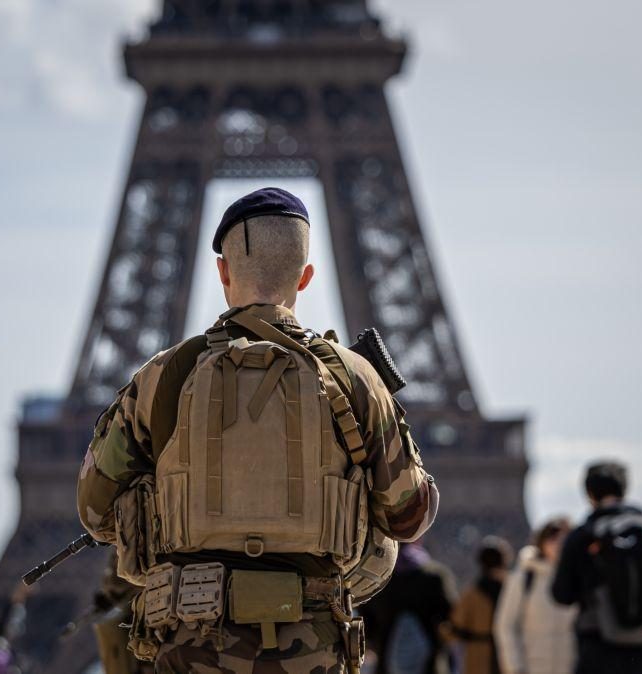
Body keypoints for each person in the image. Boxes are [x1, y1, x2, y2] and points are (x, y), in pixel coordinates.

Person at [76, 187, 439, 673]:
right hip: (311, 646)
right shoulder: (355, 379)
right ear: (306, 277)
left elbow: (95, 510)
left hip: (191, 644)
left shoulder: (165, 376)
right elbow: (407, 517)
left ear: (223, 272)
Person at [551, 461, 642, 674]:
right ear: (625, 489)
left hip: (597, 647)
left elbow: (561, 594)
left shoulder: (581, 537)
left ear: (589, 493)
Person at [360, 541, 459, 674]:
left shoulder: (376, 580)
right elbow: (453, 618)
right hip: (430, 665)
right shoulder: (435, 576)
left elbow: (366, 624)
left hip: (387, 663)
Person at [493, 517, 576, 674]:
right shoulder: (524, 578)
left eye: (564, 539)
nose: (559, 544)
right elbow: (506, 625)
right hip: (532, 668)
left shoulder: (579, 578)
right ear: (542, 542)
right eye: (553, 539)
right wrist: (514, 667)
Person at [445, 536, 513, 674]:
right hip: (509, 653)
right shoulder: (514, 591)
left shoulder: (472, 594)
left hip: (479, 657)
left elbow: (455, 629)